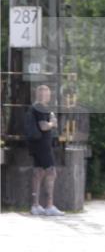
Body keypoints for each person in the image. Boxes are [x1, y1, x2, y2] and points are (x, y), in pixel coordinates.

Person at [25, 85, 63, 216]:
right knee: (51, 172)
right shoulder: (40, 108)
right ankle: (49, 206)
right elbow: (44, 126)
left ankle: (35, 206)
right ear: (42, 95)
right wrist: (52, 123)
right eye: (46, 94)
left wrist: (51, 121)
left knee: (38, 173)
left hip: (36, 145)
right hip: (43, 146)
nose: (47, 96)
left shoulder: (34, 107)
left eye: (47, 93)